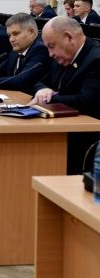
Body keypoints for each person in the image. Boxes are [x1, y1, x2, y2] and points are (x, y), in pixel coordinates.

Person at [31, 16, 100, 173]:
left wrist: (47, 99)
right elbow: (39, 82)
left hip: (85, 142)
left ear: (69, 37)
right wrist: (42, 90)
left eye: (52, 46)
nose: (50, 54)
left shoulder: (96, 59)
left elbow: (86, 101)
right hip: (61, 132)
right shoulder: (65, 56)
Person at [0, 13, 49, 93]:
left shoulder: (40, 49)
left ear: (31, 32)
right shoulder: (17, 50)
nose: (11, 39)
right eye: (9, 35)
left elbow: (20, 81)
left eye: (15, 34)